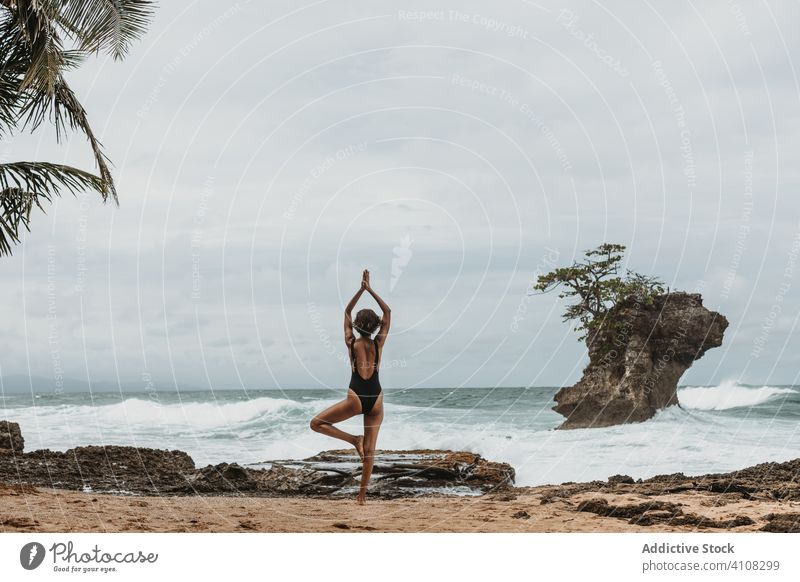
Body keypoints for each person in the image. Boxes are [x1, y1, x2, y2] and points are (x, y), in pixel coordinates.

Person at [309, 268, 391, 505]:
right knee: (371, 450)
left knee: (317, 423)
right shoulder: (379, 342)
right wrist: (370, 290)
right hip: (376, 397)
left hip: (356, 395)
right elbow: (387, 311)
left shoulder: (351, 342)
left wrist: (360, 289)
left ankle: (353, 440)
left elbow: (346, 311)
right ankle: (362, 497)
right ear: (376, 325)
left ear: (356, 325)